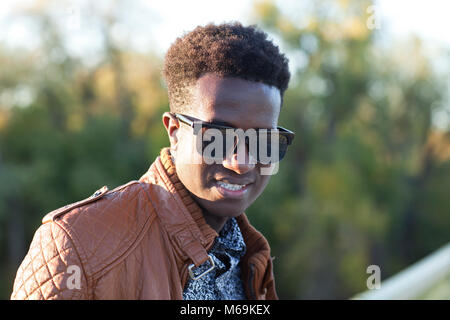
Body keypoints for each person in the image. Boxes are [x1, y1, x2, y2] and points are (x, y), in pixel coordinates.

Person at [10, 21, 294, 300]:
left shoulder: (249, 255)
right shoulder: (77, 245)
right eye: (216, 137)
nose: (241, 162)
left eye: (262, 141)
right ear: (174, 132)